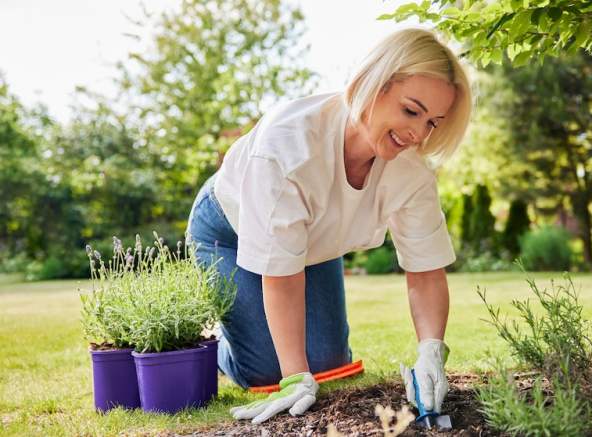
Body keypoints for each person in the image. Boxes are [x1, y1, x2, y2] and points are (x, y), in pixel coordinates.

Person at [186, 28, 472, 424]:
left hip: (310, 246)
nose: (418, 134)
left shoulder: (412, 171)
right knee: (268, 371)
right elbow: (281, 277)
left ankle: (259, 335)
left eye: (432, 123)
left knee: (327, 362)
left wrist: (431, 350)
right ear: (374, 85)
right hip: (227, 231)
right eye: (411, 111)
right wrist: (293, 379)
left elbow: (425, 272)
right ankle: (218, 341)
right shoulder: (286, 149)